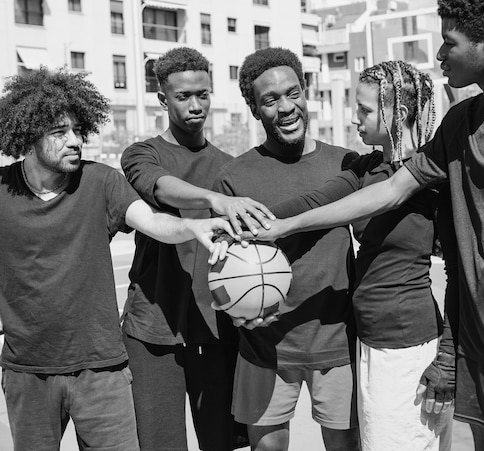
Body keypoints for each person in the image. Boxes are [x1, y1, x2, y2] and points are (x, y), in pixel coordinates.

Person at [242, 1, 484, 450]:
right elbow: (388, 190)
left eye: (449, 43)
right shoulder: (459, 123)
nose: (440, 56)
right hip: (479, 343)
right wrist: (282, 226)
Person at [0, 68, 236, 451]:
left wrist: (192, 228)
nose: (74, 141)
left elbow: (154, 221)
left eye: (78, 130)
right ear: (29, 134)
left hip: (102, 370)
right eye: (60, 133)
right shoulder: (2, 191)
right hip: (28, 371)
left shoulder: (102, 182)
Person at [253, 60, 455, 451]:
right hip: (369, 342)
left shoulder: (430, 176)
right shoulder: (366, 167)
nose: (354, 119)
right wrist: (249, 220)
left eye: (364, 110)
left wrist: (447, 358)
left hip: (407, 346)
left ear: (400, 112)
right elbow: (314, 201)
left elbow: (462, 274)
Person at [120, 47, 272, 451]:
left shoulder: (231, 166)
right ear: (162, 99)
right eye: (183, 96)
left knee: (220, 443)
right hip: (153, 329)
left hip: (217, 329)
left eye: (202, 94)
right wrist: (215, 200)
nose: (195, 105)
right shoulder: (141, 154)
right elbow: (161, 185)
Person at [212, 47, 360, 451]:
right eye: (270, 100)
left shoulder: (346, 163)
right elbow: (217, 267)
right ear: (253, 108)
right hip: (263, 348)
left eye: (292, 93)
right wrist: (235, 314)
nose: (286, 107)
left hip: (337, 343)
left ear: (305, 90)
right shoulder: (234, 178)